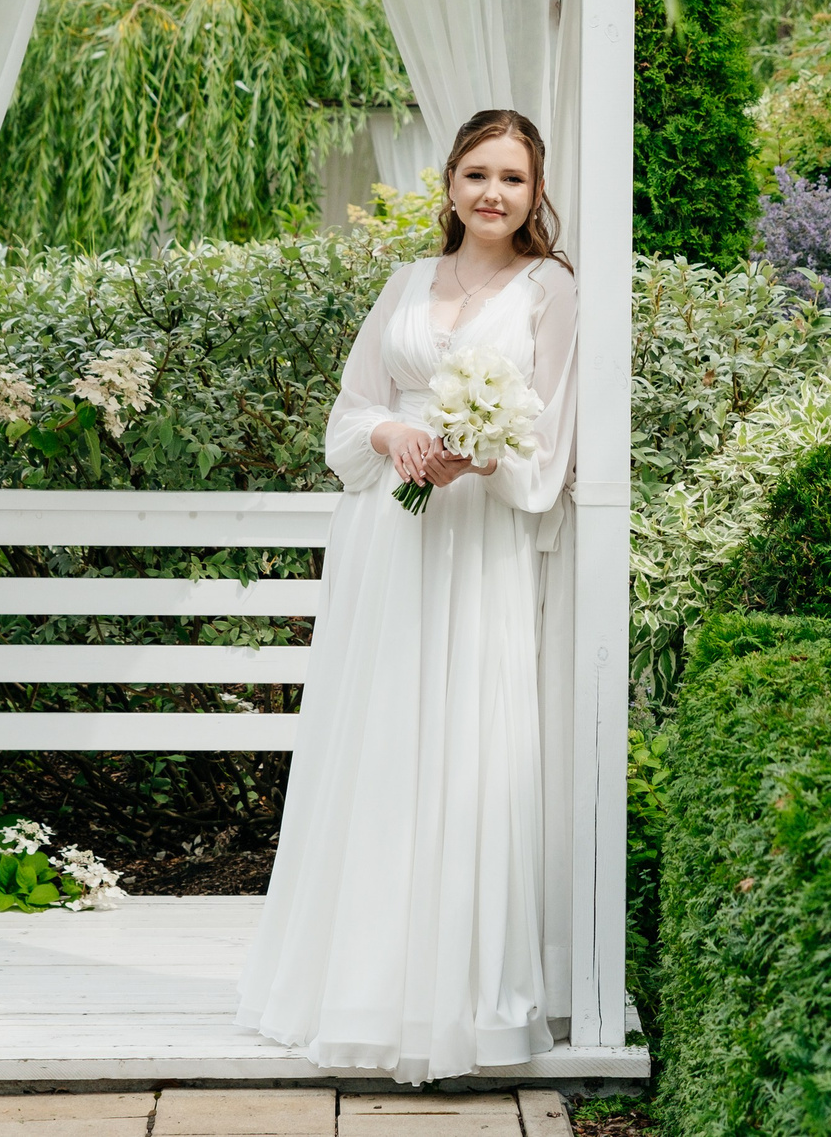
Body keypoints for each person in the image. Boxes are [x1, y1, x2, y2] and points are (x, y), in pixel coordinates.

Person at [237, 108, 579, 1082]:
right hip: (390, 539)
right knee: (382, 744)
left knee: (468, 752)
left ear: (535, 191)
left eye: (511, 178)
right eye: (476, 173)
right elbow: (352, 408)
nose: (491, 194)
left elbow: (551, 435)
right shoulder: (402, 284)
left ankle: (464, 1003)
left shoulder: (552, 292)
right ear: (449, 182)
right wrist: (392, 438)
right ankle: (358, 989)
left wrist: (481, 459)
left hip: (480, 548)